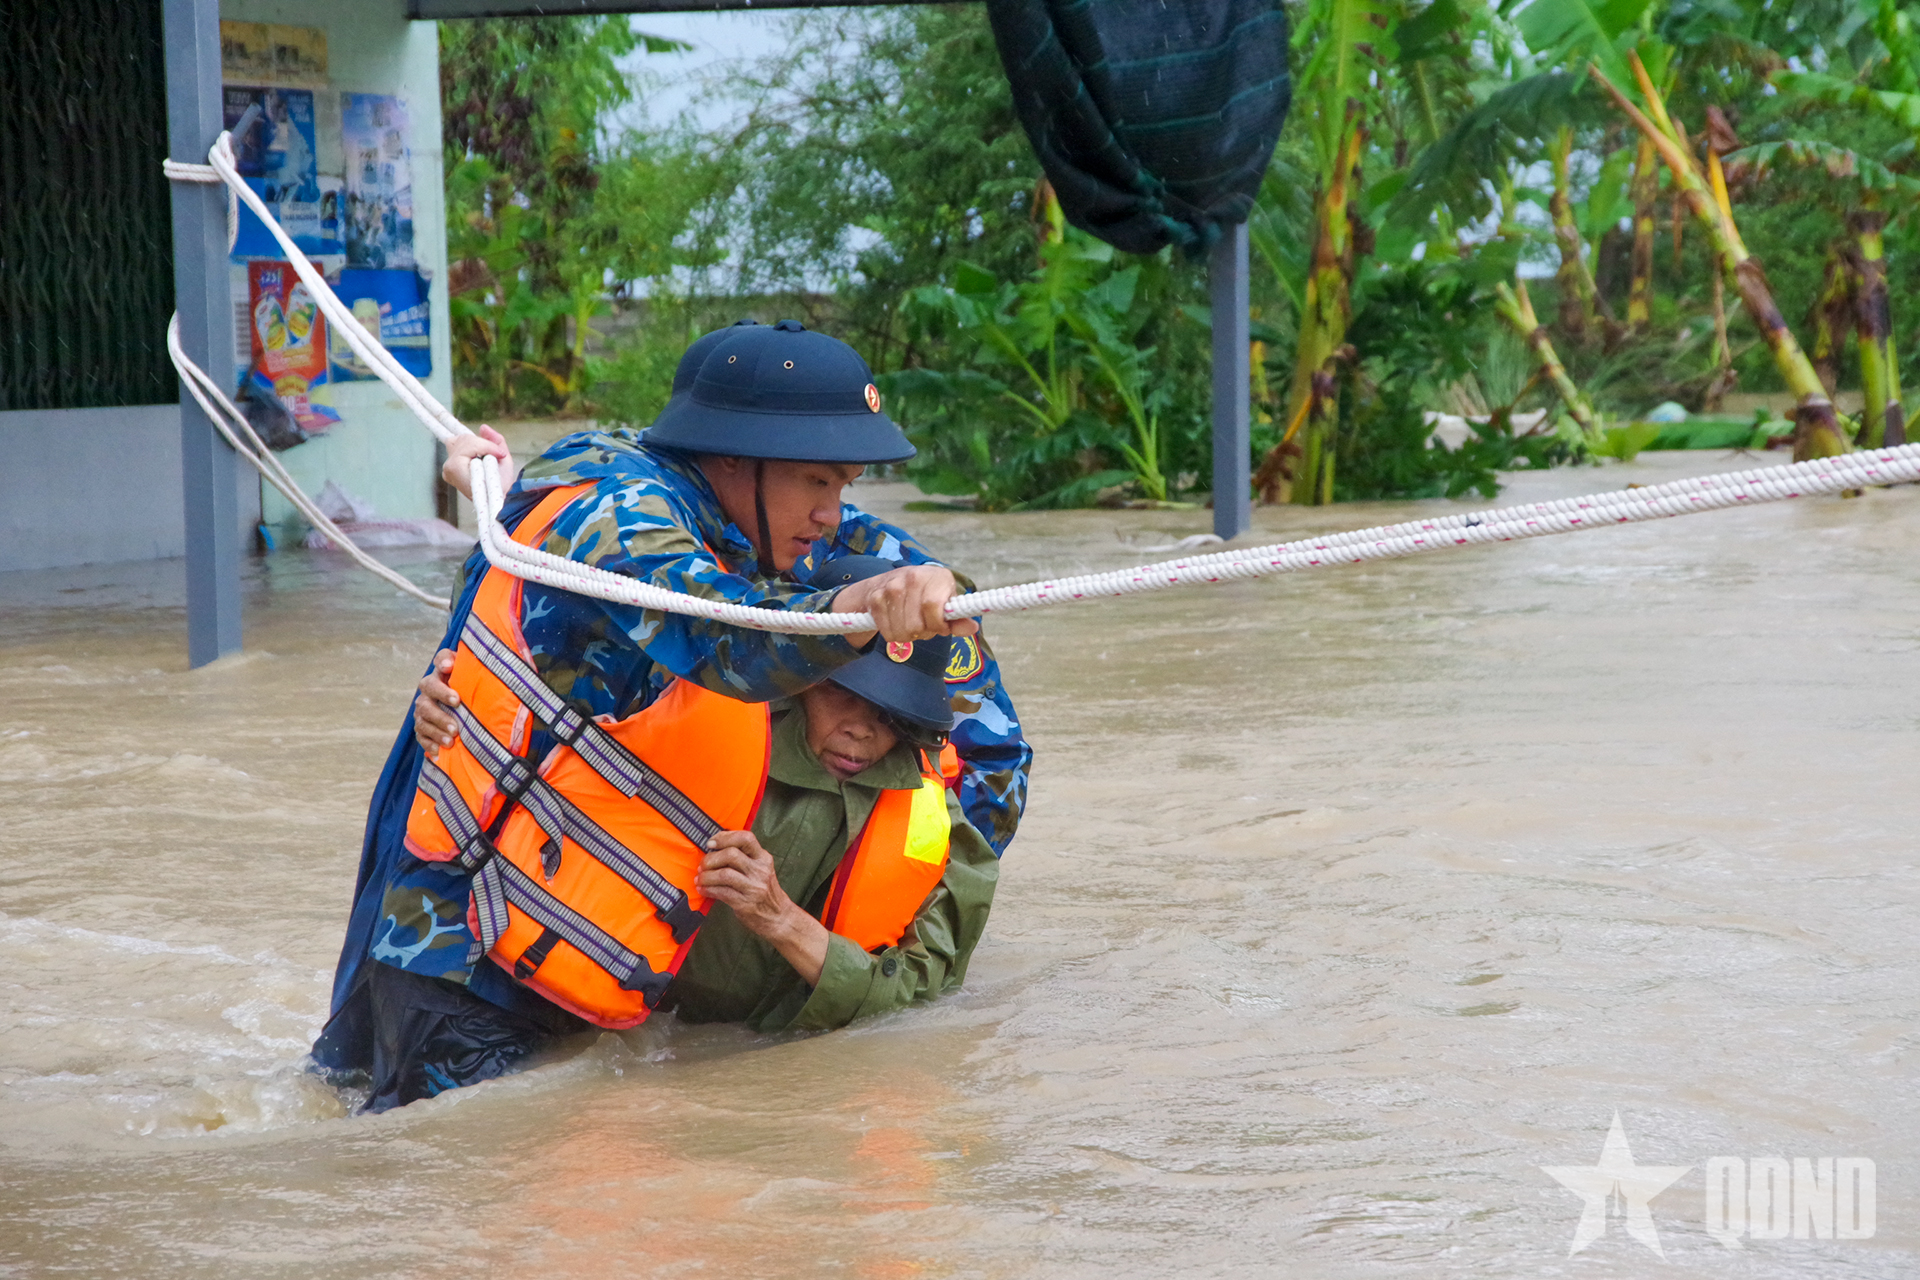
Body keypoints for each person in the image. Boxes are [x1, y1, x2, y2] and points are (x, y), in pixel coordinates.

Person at [311, 321, 1010, 1108]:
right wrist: (854, 608)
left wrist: (926, 581)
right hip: (463, 943)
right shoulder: (626, 519)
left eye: (843, 485)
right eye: (819, 482)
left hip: (517, 908)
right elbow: (725, 638)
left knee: (352, 1109)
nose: (830, 513)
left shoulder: (656, 481)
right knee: (433, 1179)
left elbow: (878, 567)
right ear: (735, 456)